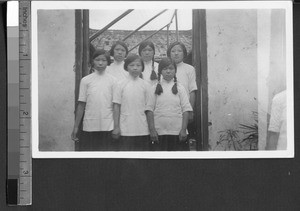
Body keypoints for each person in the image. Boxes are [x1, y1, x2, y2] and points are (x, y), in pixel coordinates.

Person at [71, 49, 116, 151]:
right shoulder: (86, 80)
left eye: (104, 60)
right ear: (93, 61)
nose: (100, 63)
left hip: (108, 125)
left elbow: (116, 106)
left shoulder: (113, 81)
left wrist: (117, 126)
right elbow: (81, 105)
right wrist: (76, 127)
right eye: (97, 60)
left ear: (108, 62)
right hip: (90, 125)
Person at [146, 57, 193, 151]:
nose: (168, 71)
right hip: (159, 133)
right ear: (160, 71)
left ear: (175, 71)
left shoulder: (180, 88)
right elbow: (149, 110)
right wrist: (152, 130)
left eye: (171, 68)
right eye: (165, 69)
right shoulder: (154, 88)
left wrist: (183, 130)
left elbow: (186, 110)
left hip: (177, 133)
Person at [112, 54, 150, 151]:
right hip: (125, 129)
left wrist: (151, 128)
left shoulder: (146, 85)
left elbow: (149, 109)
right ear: (126, 67)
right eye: (132, 65)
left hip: (143, 129)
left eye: (138, 65)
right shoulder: (120, 84)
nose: (135, 68)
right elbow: (116, 106)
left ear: (142, 67)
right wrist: (116, 127)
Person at [167, 41, 198, 145]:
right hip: (169, 110)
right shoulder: (165, 69)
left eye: (179, 51)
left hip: (184, 110)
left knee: (182, 137)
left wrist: (190, 111)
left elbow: (192, 91)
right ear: (169, 53)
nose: (176, 53)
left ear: (184, 53)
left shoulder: (189, 69)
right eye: (173, 51)